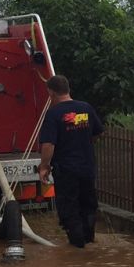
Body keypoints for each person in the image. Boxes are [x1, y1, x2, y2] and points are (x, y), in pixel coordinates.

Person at [37, 75, 105, 248]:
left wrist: (44, 166)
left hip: (66, 170)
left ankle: (77, 247)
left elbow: (49, 144)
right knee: (88, 204)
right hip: (87, 168)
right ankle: (89, 240)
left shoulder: (53, 114)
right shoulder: (85, 108)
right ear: (68, 89)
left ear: (51, 92)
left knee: (69, 208)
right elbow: (97, 132)